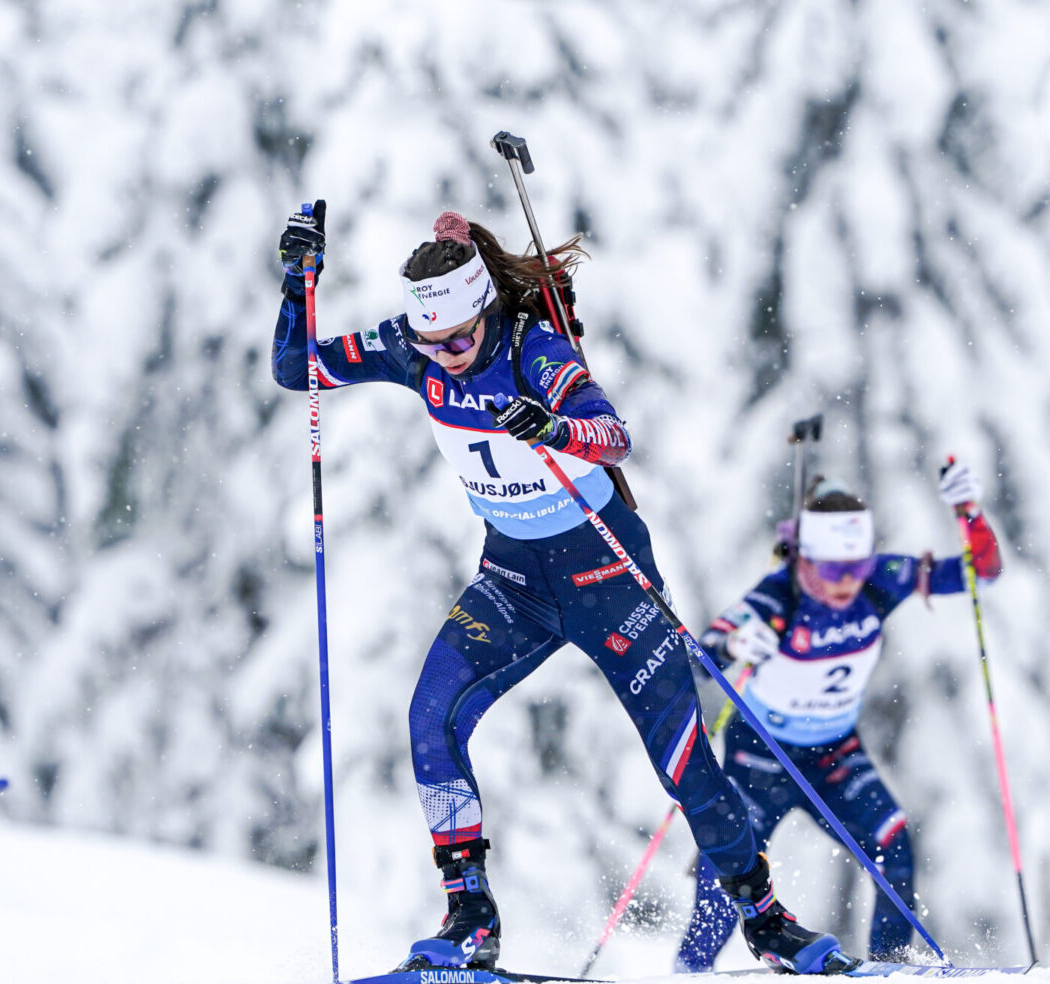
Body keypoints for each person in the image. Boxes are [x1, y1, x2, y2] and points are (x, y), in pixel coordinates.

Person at [272, 203, 848, 973]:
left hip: (610, 579)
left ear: (483, 311)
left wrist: (551, 427)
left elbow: (614, 434)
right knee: (429, 718)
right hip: (514, 583)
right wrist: (296, 282)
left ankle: (768, 919)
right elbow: (296, 367)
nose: (445, 355)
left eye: (460, 338)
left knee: (684, 763)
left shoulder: (533, 350)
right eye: (431, 342)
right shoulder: (411, 348)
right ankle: (470, 917)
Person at [673, 466, 1003, 971]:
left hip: (834, 753)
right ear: (804, 559)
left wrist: (971, 515)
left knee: (893, 843)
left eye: (857, 565)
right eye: (831, 570)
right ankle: (691, 971)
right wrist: (735, 643)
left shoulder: (880, 580)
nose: (847, 582)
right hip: (762, 757)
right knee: (732, 868)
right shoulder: (778, 595)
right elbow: (700, 655)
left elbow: (982, 573)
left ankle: (890, 966)